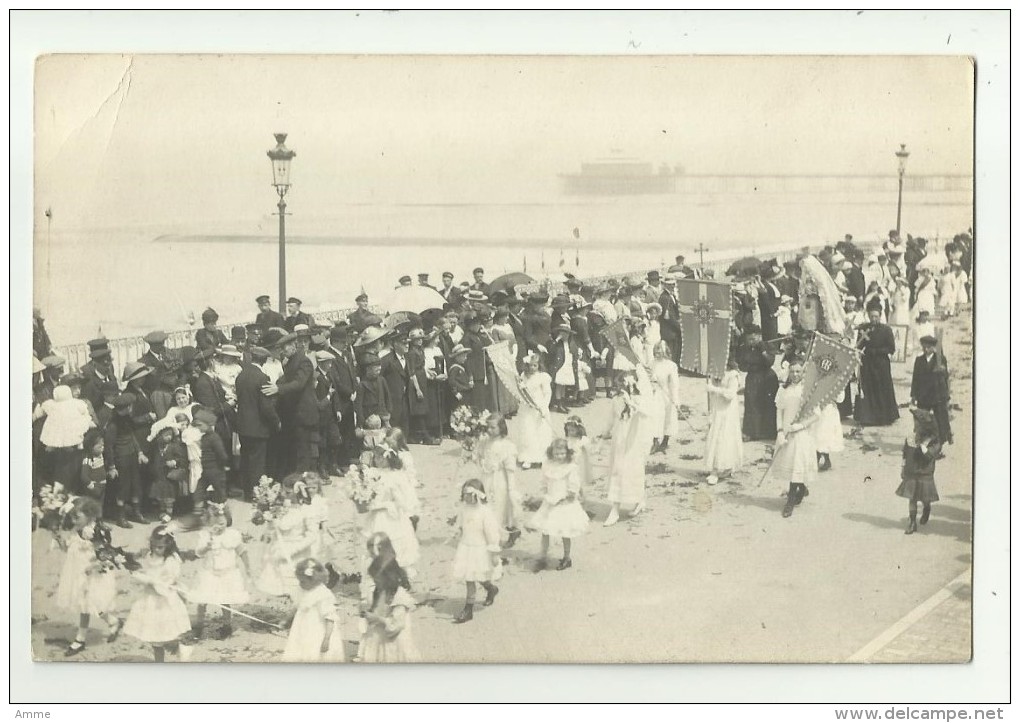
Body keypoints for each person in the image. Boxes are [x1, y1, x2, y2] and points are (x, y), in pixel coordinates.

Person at [56, 497, 124, 657]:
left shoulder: (95, 532)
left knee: (88, 604)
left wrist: (93, 566)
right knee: (88, 605)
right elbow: (69, 549)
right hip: (76, 573)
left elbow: (104, 555)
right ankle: (114, 622)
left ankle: (80, 639)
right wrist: (60, 541)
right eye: (71, 517)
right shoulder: (75, 531)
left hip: (92, 575)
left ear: (91, 516)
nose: (73, 520)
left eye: (77, 517)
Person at [123, 525, 192, 662]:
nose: (156, 549)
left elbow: (164, 585)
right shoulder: (150, 555)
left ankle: (180, 650)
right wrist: (139, 573)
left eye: (160, 547)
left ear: (169, 545)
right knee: (155, 638)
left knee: (168, 633)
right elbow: (149, 572)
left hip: (164, 602)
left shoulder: (171, 561)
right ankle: (159, 663)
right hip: (150, 601)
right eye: (154, 546)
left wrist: (146, 579)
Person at [189, 502, 251, 639]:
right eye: (215, 524)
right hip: (209, 572)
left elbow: (242, 551)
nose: (219, 527)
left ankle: (227, 625)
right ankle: (199, 625)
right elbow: (198, 553)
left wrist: (248, 567)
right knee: (202, 598)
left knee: (225, 598)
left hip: (227, 573)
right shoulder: (205, 535)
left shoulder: (233, 534)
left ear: (227, 521)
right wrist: (207, 546)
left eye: (222, 523)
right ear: (208, 523)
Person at [262, 329, 319, 475]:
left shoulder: (304, 361)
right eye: (281, 348)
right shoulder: (291, 362)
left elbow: (298, 383)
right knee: (296, 450)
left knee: (302, 451)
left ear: (294, 344)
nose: (282, 351)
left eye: (285, 347)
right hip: (295, 413)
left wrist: (278, 389)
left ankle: (303, 481)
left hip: (303, 413)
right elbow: (285, 379)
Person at [601, 370, 654, 527]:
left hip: (633, 442)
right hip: (619, 440)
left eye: (623, 384)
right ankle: (615, 508)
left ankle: (638, 500)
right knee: (618, 470)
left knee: (631, 471)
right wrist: (605, 433)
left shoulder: (638, 399)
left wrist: (630, 401)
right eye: (619, 385)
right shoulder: (616, 400)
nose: (620, 388)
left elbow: (646, 414)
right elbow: (611, 417)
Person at [771, 360, 822, 518]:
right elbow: (779, 411)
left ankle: (790, 501)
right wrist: (779, 431)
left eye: (798, 371)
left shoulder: (808, 390)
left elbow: (816, 415)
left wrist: (801, 426)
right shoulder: (783, 389)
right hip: (787, 431)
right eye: (792, 371)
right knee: (790, 463)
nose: (795, 374)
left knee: (797, 464)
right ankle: (801, 486)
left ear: (803, 373)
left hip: (802, 433)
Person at [528, 438, 588, 572]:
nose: (559, 456)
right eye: (556, 453)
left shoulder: (570, 467)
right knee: (545, 530)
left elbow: (574, 485)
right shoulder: (548, 465)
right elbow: (543, 481)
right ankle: (543, 556)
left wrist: (569, 496)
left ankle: (567, 557)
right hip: (550, 501)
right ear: (551, 453)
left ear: (567, 453)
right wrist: (544, 494)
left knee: (565, 531)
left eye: (562, 453)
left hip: (564, 502)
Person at [360, 533, 420, 663]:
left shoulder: (399, 597)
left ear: (388, 577)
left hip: (395, 640)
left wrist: (377, 618)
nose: (376, 583)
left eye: (378, 580)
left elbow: (396, 625)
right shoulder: (382, 591)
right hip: (382, 637)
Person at [257, 475, 316, 602]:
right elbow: (277, 527)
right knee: (283, 586)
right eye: (283, 490)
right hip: (280, 550)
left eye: (288, 492)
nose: (283, 494)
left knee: (297, 586)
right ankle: (292, 613)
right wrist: (269, 526)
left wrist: (293, 550)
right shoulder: (282, 507)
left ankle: (299, 615)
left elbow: (312, 536)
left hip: (297, 554)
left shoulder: (307, 510)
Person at [451, 479, 502, 623]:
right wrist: (457, 531)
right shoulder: (463, 509)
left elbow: (492, 533)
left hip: (480, 549)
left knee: (479, 575)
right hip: (466, 546)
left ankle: (489, 589)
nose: (466, 497)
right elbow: (461, 524)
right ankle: (469, 609)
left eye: (469, 494)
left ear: (478, 495)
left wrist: (493, 551)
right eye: (464, 494)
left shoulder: (485, 512)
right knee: (469, 577)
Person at [235, 345, 281, 499]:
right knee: (257, 462)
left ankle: (247, 492)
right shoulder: (262, 378)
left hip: (243, 426)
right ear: (263, 361)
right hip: (258, 427)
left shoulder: (241, 376)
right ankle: (256, 494)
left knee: (246, 459)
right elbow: (266, 407)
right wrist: (276, 421)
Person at [282, 558, 346, 662]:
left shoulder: (323, 594)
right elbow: (296, 606)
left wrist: (327, 639)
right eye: (299, 581)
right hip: (301, 630)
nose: (300, 584)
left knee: (315, 654)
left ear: (315, 579)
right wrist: (287, 619)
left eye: (303, 581)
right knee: (299, 651)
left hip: (317, 632)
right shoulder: (302, 590)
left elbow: (330, 618)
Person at [474, 413, 522, 546]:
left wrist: (511, 488)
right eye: (487, 427)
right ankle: (489, 534)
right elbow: (479, 456)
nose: (489, 430)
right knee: (486, 505)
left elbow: (510, 469)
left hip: (500, 480)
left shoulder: (507, 445)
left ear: (501, 427)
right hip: (486, 478)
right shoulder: (484, 442)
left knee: (500, 507)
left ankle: (506, 533)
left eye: (493, 427)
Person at [104, 392, 149, 526]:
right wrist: (112, 466)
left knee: (136, 485)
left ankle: (136, 513)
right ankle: (121, 517)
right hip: (121, 459)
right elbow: (109, 447)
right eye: (130, 406)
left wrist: (140, 452)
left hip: (132, 456)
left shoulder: (127, 419)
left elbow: (132, 436)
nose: (132, 408)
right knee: (123, 488)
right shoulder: (112, 425)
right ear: (127, 407)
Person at [896, 408, 943, 535]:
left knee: (924, 497)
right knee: (912, 498)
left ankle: (926, 507)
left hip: (924, 473)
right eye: (914, 422)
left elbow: (930, 456)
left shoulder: (934, 440)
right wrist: (902, 468)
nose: (915, 425)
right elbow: (905, 454)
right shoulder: (911, 437)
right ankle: (912, 522)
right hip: (911, 471)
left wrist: (923, 446)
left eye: (917, 422)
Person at [39, 384, 95, 490]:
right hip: (66, 451)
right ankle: (74, 445)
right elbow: (84, 413)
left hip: (66, 449)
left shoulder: (55, 405)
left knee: (58, 436)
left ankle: (57, 446)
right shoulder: (72, 404)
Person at [854, 303, 900, 426]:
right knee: (868, 389)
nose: (874, 319)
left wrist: (877, 351)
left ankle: (884, 418)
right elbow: (859, 345)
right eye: (871, 316)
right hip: (867, 365)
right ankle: (868, 418)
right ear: (868, 316)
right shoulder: (864, 329)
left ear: (880, 316)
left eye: (876, 316)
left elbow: (891, 348)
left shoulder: (886, 330)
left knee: (882, 389)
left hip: (881, 364)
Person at [704, 360, 744, 485]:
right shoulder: (714, 373)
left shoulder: (733, 375)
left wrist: (714, 389)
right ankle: (717, 467)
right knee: (716, 436)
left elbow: (730, 395)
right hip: (717, 409)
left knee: (724, 437)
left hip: (727, 412)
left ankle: (721, 468)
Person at [737, 326, 779, 441]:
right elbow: (741, 364)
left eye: (754, 339)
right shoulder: (744, 348)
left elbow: (770, 362)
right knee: (752, 404)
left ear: (759, 337)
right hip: (752, 377)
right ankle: (753, 432)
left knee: (768, 404)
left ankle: (769, 432)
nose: (751, 342)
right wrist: (751, 366)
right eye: (749, 340)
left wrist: (763, 351)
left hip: (767, 377)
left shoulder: (767, 346)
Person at [911, 335, 953, 448]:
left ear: (933, 348)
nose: (926, 350)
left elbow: (946, 377)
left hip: (937, 394)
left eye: (928, 347)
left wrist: (942, 371)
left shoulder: (940, 359)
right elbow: (915, 378)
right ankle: (924, 442)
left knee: (941, 419)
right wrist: (913, 395)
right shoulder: (919, 360)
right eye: (924, 347)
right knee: (923, 420)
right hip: (923, 395)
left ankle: (941, 443)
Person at [516, 352, 553, 470]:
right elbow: (521, 392)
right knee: (528, 431)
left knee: (541, 432)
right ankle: (528, 458)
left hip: (539, 406)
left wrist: (544, 407)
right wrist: (521, 387)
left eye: (535, 365)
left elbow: (547, 393)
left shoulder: (543, 377)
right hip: (527, 407)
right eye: (530, 365)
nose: (532, 368)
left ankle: (542, 457)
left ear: (539, 365)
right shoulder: (523, 376)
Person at [648, 340, 681, 455]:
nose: (657, 352)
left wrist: (675, 398)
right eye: (656, 349)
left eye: (660, 350)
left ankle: (665, 441)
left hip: (666, 394)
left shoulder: (671, 366)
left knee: (668, 417)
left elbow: (674, 383)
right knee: (655, 417)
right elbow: (647, 378)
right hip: (655, 394)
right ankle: (655, 440)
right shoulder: (652, 363)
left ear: (665, 351)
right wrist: (651, 379)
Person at [193, 407, 229, 505]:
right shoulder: (204, 437)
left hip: (216, 470)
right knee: (199, 491)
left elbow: (222, 454)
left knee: (220, 492)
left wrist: (222, 465)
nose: (198, 428)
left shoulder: (214, 438)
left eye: (200, 425)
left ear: (209, 424)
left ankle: (224, 512)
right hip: (205, 470)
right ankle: (199, 511)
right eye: (197, 426)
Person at [548, 322, 578, 413]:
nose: (564, 335)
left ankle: (562, 403)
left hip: (568, 365)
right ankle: (559, 405)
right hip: (560, 366)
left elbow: (574, 354)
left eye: (566, 333)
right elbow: (551, 351)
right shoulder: (557, 344)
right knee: (559, 385)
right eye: (562, 333)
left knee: (564, 385)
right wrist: (557, 339)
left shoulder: (571, 344)